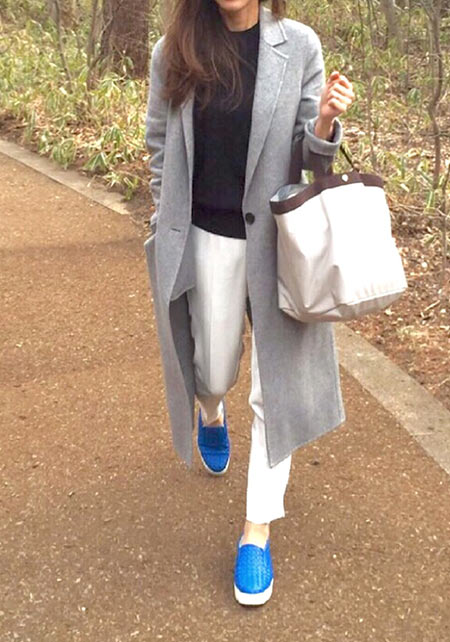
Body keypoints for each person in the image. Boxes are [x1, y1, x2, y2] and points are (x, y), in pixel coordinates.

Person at [143, 0, 355, 606]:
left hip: (276, 244)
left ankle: (256, 529)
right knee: (212, 372)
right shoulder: (174, 50)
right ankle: (212, 414)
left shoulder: (299, 45)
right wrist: (165, 214)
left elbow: (310, 160)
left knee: (274, 389)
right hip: (206, 234)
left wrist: (324, 122)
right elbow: (159, 142)